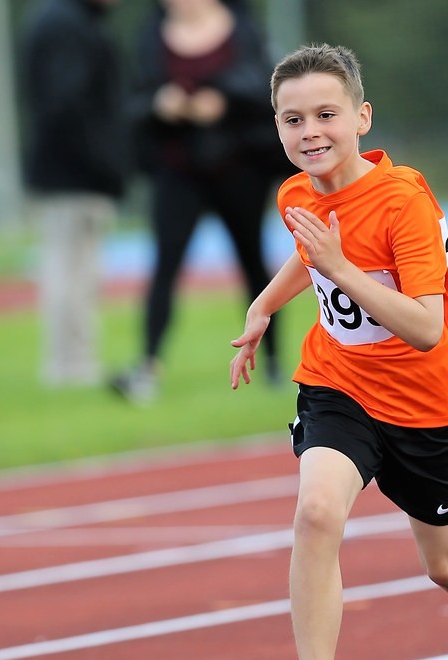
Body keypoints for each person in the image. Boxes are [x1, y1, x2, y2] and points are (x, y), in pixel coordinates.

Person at [229, 43, 448, 660]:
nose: (310, 131)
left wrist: (339, 267)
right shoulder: (297, 193)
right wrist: (267, 305)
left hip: (429, 403)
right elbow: (310, 254)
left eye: (326, 115)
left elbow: (426, 325)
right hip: (339, 385)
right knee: (315, 511)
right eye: (292, 118)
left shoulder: (404, 202)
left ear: (361, 117)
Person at [109, 0, 289, 404]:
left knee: (252, 260)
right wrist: (161, 104)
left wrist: (222, 100)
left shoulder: (242, 27)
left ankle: (274, 362)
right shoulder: (151, 35)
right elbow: (134, 97)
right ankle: (148, 366)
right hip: (178, 168)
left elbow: (266, 86)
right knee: (165, 263)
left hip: (238, 165)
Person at [19, 0, 127, 388]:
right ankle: (70, 369)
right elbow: (66, 105)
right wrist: (106, 164)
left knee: (77, 271)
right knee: (71, 272)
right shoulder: (68, 26)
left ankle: (73, 364)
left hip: (69, 171)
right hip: (72, 174)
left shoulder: (63, 20)